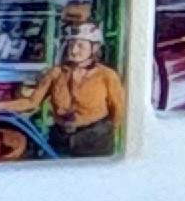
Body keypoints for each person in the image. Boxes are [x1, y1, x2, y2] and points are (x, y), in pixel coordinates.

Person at [15, 13, 127, 159]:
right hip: (60, 140)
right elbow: (31, 102)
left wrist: (111, 134)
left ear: (94, 48)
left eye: (80, 46)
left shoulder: (107, 76)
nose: (74, 50)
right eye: (71, 45)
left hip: (95, 142)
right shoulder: (56, 73)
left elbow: (118, 111)